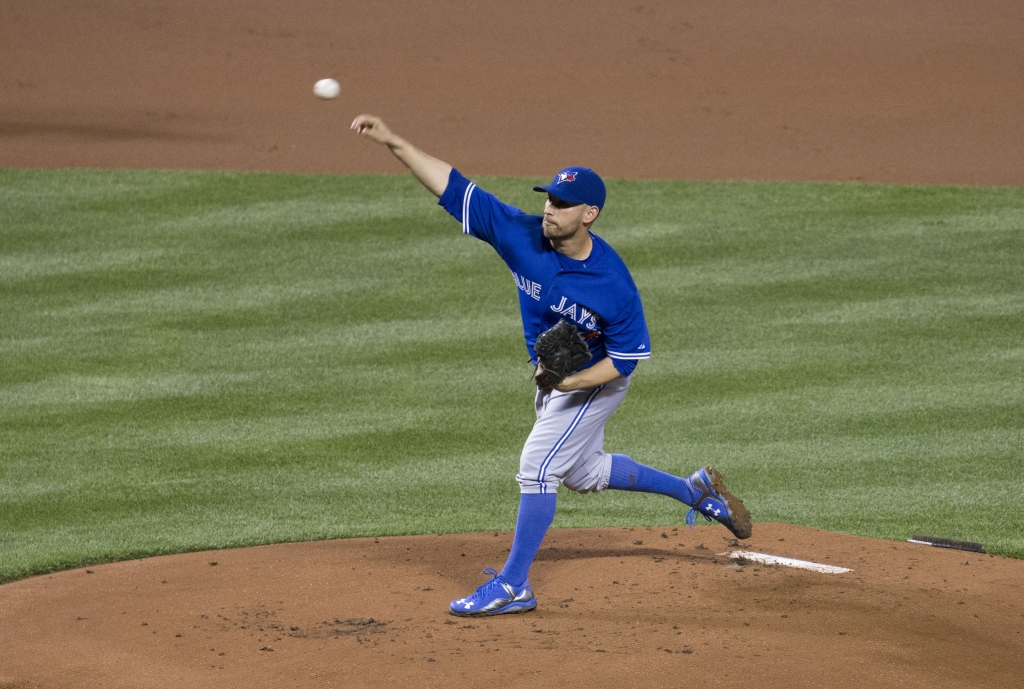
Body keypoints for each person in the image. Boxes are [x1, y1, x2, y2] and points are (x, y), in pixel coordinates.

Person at [351, 115, 752, 617]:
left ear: (590, 214)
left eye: (562, 205)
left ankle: (514, 585)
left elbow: (625, 362)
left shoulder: (614, 283)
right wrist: (393, 142)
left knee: (537, 469)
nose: (549, 209)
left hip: (596, 383)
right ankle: (694, 491)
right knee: (584, 472)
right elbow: (455, 188)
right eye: (548, 198)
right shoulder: (522, 236)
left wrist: (570, 382)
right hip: (558, 379)